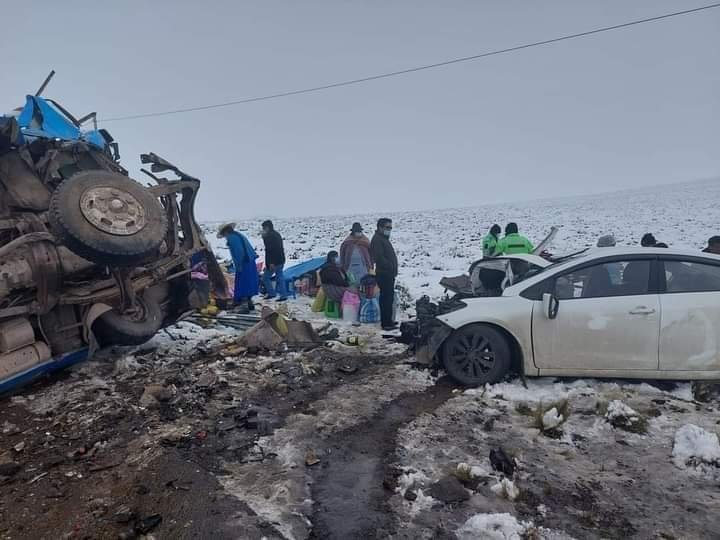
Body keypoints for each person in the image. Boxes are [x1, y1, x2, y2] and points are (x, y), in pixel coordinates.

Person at [217, 223, 258, 313]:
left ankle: (244, 305)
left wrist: (239, 265)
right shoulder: (238, 235)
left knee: (244, 283)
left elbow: (239, 252)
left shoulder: (232, 238)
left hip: (244, 263)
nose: (225, 237)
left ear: (226, 232)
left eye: (224, 235)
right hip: (249, 261)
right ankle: (248, 302)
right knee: (248, 282)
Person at [370, 217, 398, 330]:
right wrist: (390, 266)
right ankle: (386, 323)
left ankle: (389, 321)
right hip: (384, 274)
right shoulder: (377, 240)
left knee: (389, 298)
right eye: (387, 227)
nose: (389, 229)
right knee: (386, 299)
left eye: (390, 227)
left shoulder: (383, 238)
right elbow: (379, 258)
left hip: (388, 274)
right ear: (380, 227)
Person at [261, 220, 288, 301]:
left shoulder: (269, 236)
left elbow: (270, 250)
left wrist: (271, 263)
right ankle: (283, 295)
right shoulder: (276, 234)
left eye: (264, 228)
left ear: (267, 227)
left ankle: (272, 293)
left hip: (274, 261)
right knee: (279, 277)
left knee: (266, 277)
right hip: (280, 259)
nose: (263, 229)